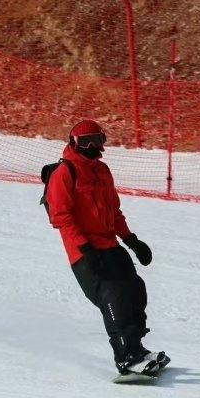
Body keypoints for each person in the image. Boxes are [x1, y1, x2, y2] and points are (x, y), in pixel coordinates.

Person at [45, 120, 167, 376]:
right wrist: (85, 250)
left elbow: (114, 212)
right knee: (113, 296)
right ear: (73, 143)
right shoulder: (65, 173)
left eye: (96, 140)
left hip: (109, 244)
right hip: (85, 252)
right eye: (85, 141)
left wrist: (131, 241)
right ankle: (125, 357)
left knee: (135, 290)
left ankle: (137, 348)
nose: (91, 146)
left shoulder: (102, 171)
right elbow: (61, 217)